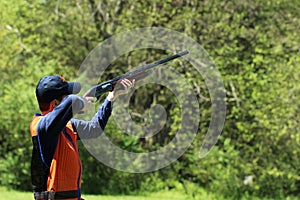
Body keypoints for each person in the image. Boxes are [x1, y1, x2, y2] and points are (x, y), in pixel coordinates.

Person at [30, 75, 134, 200]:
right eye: (65, 96)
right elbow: (72, 101)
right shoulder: (41, 127)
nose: (69, 97)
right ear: (55, 103)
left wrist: (111, 97)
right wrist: (83, 104)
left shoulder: (67, 126)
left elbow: (95, 128)